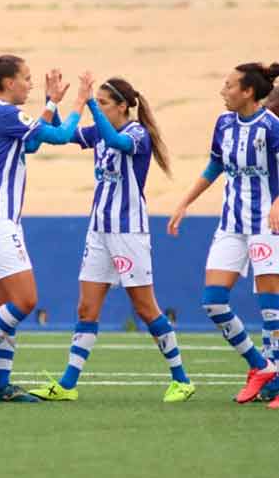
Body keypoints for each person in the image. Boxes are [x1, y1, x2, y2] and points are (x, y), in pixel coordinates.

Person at [28, 74, 195, 403]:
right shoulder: (100, 132)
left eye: (104, 103)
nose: (99, 109)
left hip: (128, 233)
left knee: (146, 309)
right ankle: (67, 384)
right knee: (86, 308)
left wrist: (89, 101)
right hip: (99, 231)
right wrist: (56, 101)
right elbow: (64, 136)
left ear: (122, 107)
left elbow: (117, 143)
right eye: (98, 102)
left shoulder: (136, 134)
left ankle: (182, 379)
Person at [0, 53, 92, 403]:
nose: (31, 84)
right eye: (26, 78)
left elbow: (30, 142)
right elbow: (59, 136)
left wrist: (51, 102)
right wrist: (78, 102)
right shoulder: (4, 112)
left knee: (6, 304)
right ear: (9, 82)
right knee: (26, 299)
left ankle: (1, 385)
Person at [168, 62, 279, 409]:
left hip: (266, 224)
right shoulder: (224, 123)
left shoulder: (271, 126)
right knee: (213, 300)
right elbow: (215, 166)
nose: (223, 91)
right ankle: (262, 367)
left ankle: (275, 382)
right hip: (231, 224)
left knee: (270, 307)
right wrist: (185, 201)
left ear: (247, 92)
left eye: (229, 85)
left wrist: (278, 203)